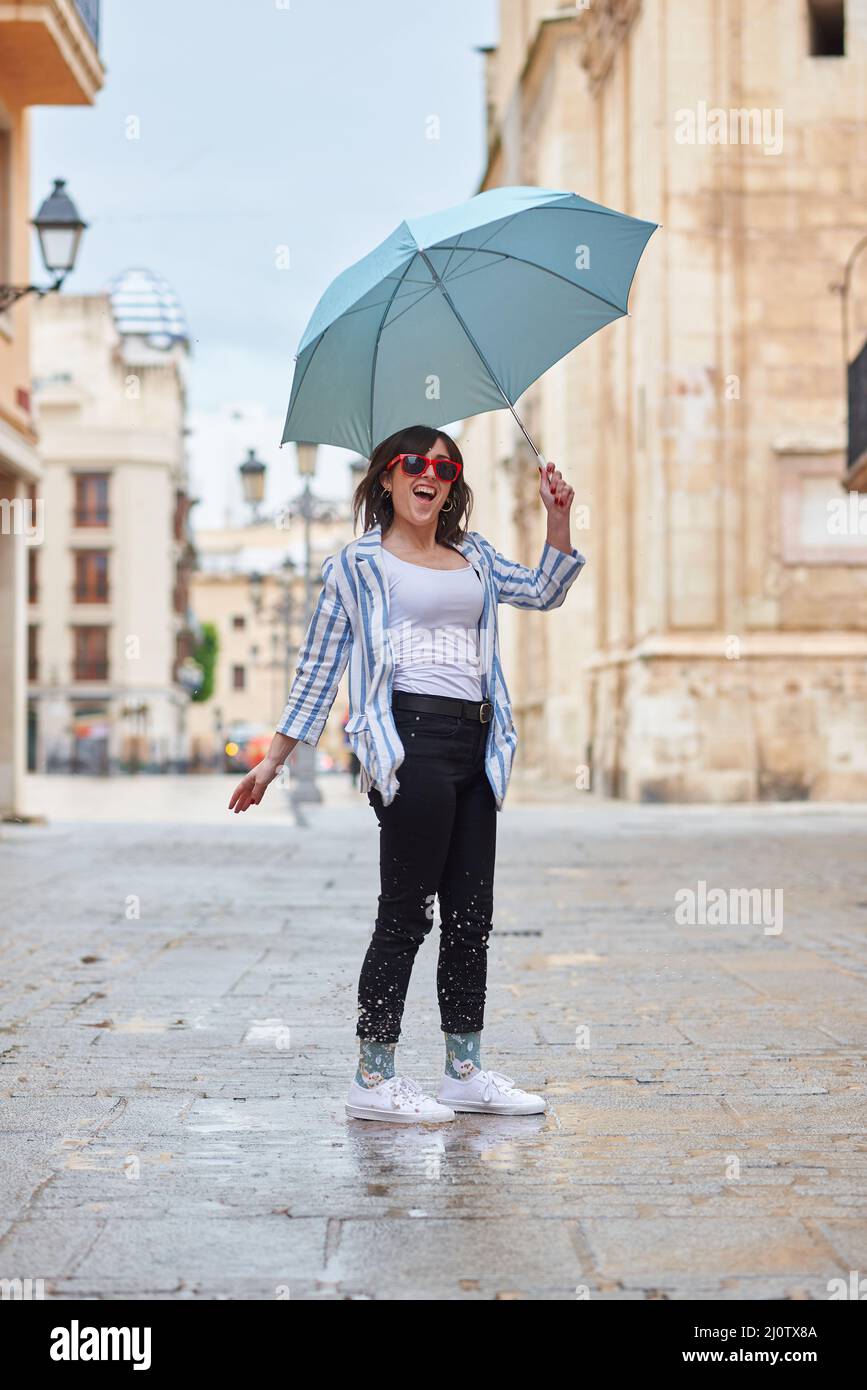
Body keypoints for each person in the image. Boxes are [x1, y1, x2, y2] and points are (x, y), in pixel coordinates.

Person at [229, 424, 585, 1124]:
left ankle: (463, 1069)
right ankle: (373, 1075)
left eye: (446, 468)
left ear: (453, 484)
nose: (431, 476)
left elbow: (545, 590)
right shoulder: (356, 565)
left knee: (471, 917)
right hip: (407, 739)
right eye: (415, 464)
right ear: (386, 479)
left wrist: (557, 514)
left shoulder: (473, 554)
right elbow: (319, 664)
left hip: (478, 744)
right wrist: (275, 758)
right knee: (404, 916)